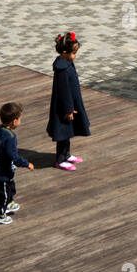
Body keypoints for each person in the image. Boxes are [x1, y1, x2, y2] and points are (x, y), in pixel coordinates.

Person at [46, 31, 90, 171]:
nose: (75, 56)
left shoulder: (67, 63)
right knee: (63, 132)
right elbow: (64, 91)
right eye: (73, 53)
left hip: (71, 103)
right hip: (64, 107)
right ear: (64, 52)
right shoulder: (62, 70)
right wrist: (68, 109)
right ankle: (60, 159)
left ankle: (67, 154)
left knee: (68, 131)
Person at [0, 102, 34, 225]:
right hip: (1, 171)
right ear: (14, 121)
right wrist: (26, 164)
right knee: (2, 192)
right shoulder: (10, 137)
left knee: (10, 187)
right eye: (20, 118)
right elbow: (13, 156)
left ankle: (8, 203)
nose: (20, 121)